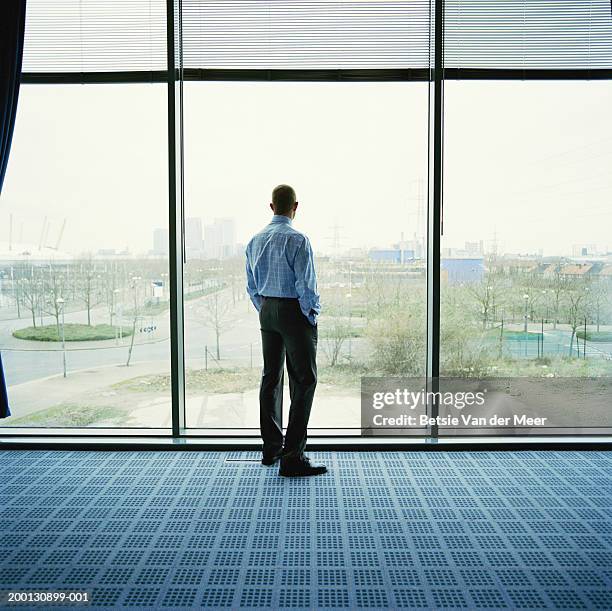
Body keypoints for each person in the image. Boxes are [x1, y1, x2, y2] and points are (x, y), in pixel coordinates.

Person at [245, 184, 326, 477]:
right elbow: (307, 285)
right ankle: (293, 457)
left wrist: (266, 309)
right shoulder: (298, 240)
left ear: (271, 207)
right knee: (304, 380)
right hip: (293, 311)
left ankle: (271, 449)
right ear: (296, 207)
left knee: (271, 378)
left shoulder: (255, 241)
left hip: (267, 310)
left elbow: (251, 286)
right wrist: (311, 314)